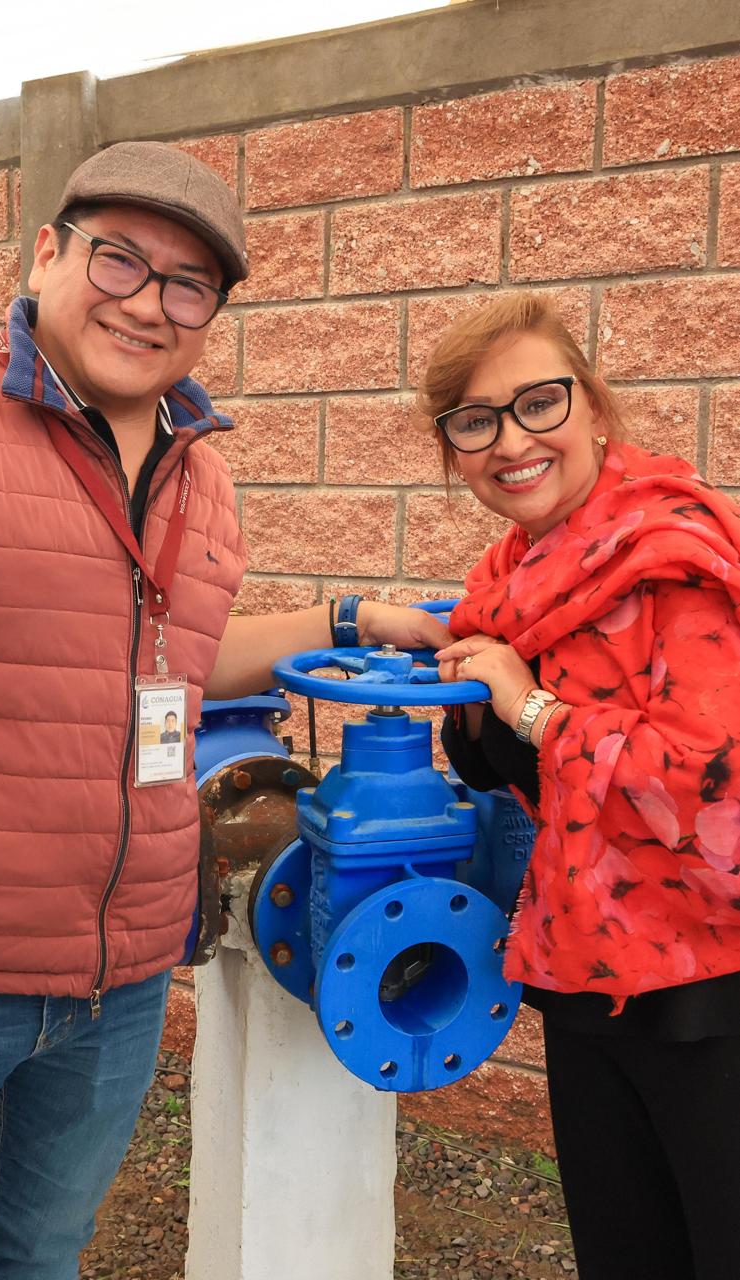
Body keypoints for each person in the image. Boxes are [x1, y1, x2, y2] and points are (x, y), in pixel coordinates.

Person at [0, 140, 448, 1279]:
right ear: (45, 254)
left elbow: (181, 664)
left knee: (40, 1254)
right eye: (119, 261)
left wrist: (351, 619)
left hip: (122, 977)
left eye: (188, 284)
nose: (148, 304)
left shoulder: (202, 472)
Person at [422, 293, 740, 1280]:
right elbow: (505, 769)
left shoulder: (673, 562)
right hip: (583, 970)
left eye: (538, 403)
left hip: (708, 988)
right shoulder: (514, 576)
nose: (511, 441)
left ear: (593, 406)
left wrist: (530, 710)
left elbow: (713, 798)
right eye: (475, 421)